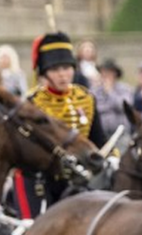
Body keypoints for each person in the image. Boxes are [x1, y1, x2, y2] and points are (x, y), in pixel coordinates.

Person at [17, 32, 106, 215]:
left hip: (79, 179)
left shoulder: (86, 98)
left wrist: (109, 157)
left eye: (67, 68)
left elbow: (98, 139)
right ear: (44, 73)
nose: (63, 75)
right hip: (42, 179)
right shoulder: (33, 102)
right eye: (55, 69)